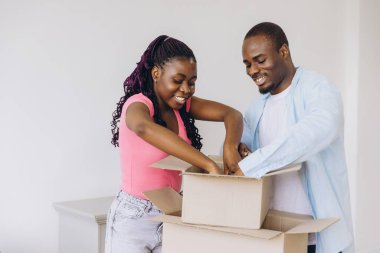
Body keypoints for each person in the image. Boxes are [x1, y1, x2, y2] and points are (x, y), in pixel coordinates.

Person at [105, 35, 243, 253]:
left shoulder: (182, 107)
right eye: (178, 80)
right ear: (156, 73)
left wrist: (230, 146)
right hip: (133, 218)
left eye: (192, 82)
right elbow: (143, 127)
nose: (186, 89)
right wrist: (208, 164)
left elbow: (232, 115)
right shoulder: (138, 105)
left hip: (172, 212)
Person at [230, 22, 354, 253]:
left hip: (318, 238)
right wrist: (238, 150)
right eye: (247, 64)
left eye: (260, 60)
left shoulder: (318, 89)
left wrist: (254, 163)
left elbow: (315, 132)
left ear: (283, 52)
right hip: (272, 236)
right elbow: (239, 159)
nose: (252, 70)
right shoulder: (256, 108)